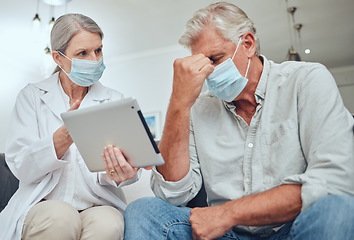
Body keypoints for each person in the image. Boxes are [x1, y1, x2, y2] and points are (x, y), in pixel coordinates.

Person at [123, 2, 354, 240]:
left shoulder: (306, 81)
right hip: (226, 235)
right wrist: (178, 104)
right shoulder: (198, 108)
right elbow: (171, 194)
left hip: (294, 228)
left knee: (338, 209)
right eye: (200, 64)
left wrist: (228, 213)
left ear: (248, 44)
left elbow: (334, 181)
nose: (208, 73)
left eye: (215, 58)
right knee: (143, 211)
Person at [0, 13, 140, 240]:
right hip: (43, 203)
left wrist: (123, 172)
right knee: (61, 218)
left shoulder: (115, 100)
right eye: (82, 53)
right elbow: (21, 166)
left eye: (98, 50)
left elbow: (127, 171)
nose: (94, 60)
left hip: (99, 203)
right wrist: (63, 138)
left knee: (109, 225)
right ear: (58, 58)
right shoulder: (32, 97)